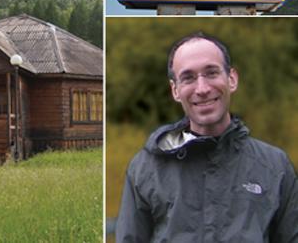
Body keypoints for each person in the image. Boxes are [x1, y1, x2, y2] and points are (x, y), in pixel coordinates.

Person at [116, 32, 298, 242]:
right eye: (188, 78)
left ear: (231, 79)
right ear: (175, 90)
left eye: (211, 73)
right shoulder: (145, 168)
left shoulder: (275, 167)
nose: (202, 89)